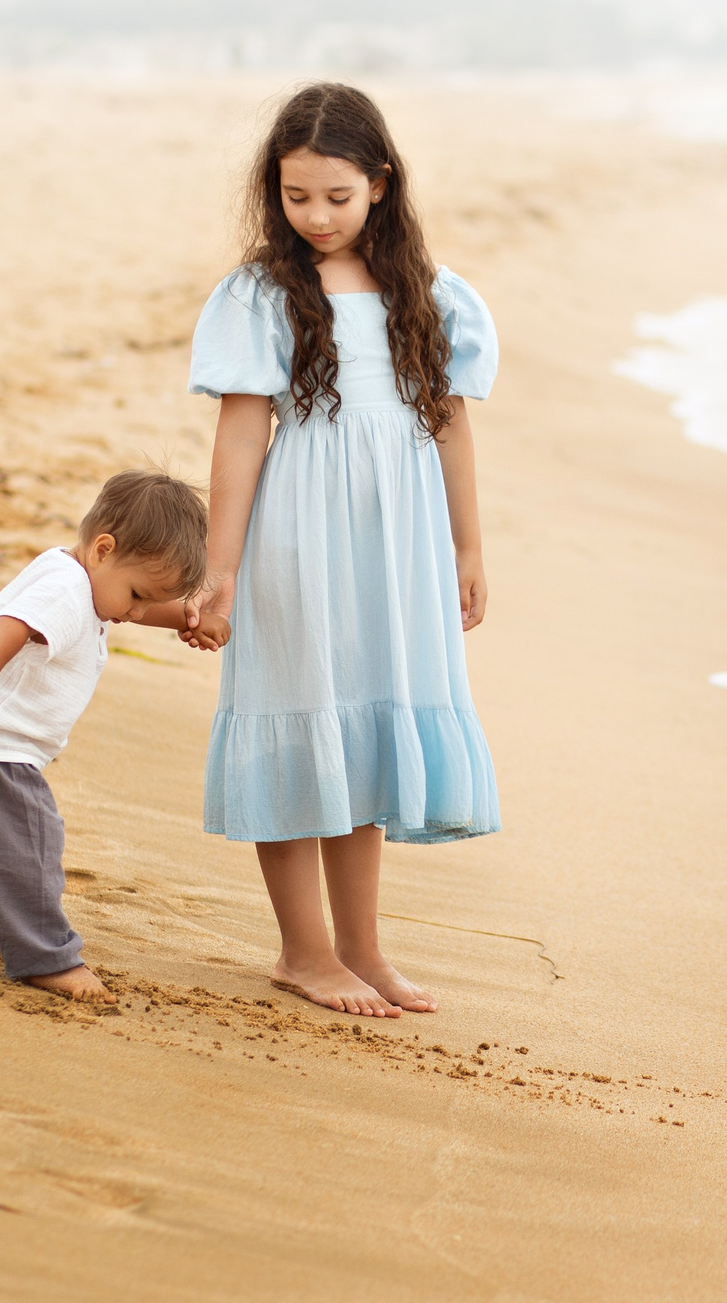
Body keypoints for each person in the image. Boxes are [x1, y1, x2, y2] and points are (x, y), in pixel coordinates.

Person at [188, 82, 499, 1019]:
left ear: (381, 184)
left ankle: (363, 948)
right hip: (297, 531)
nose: (315, 216)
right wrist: (222, 565)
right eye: (295, 197)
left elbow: (445, 423)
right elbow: (242, 436)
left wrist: (467, 545)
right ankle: (303, 949)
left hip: (396, 541)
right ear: (273, 191)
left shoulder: (428, 294)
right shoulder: (261, 294)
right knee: (296, 713)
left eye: (336, 196)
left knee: (359, 727)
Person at [0, 469, 223, 1001]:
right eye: (138, 596)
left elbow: (118, 603)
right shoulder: (65, 590)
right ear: (104, 549)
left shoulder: (81, 577)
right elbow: (12, 622)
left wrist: (184, 618)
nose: (137, 612)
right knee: (30, 845)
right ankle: (46, 958)